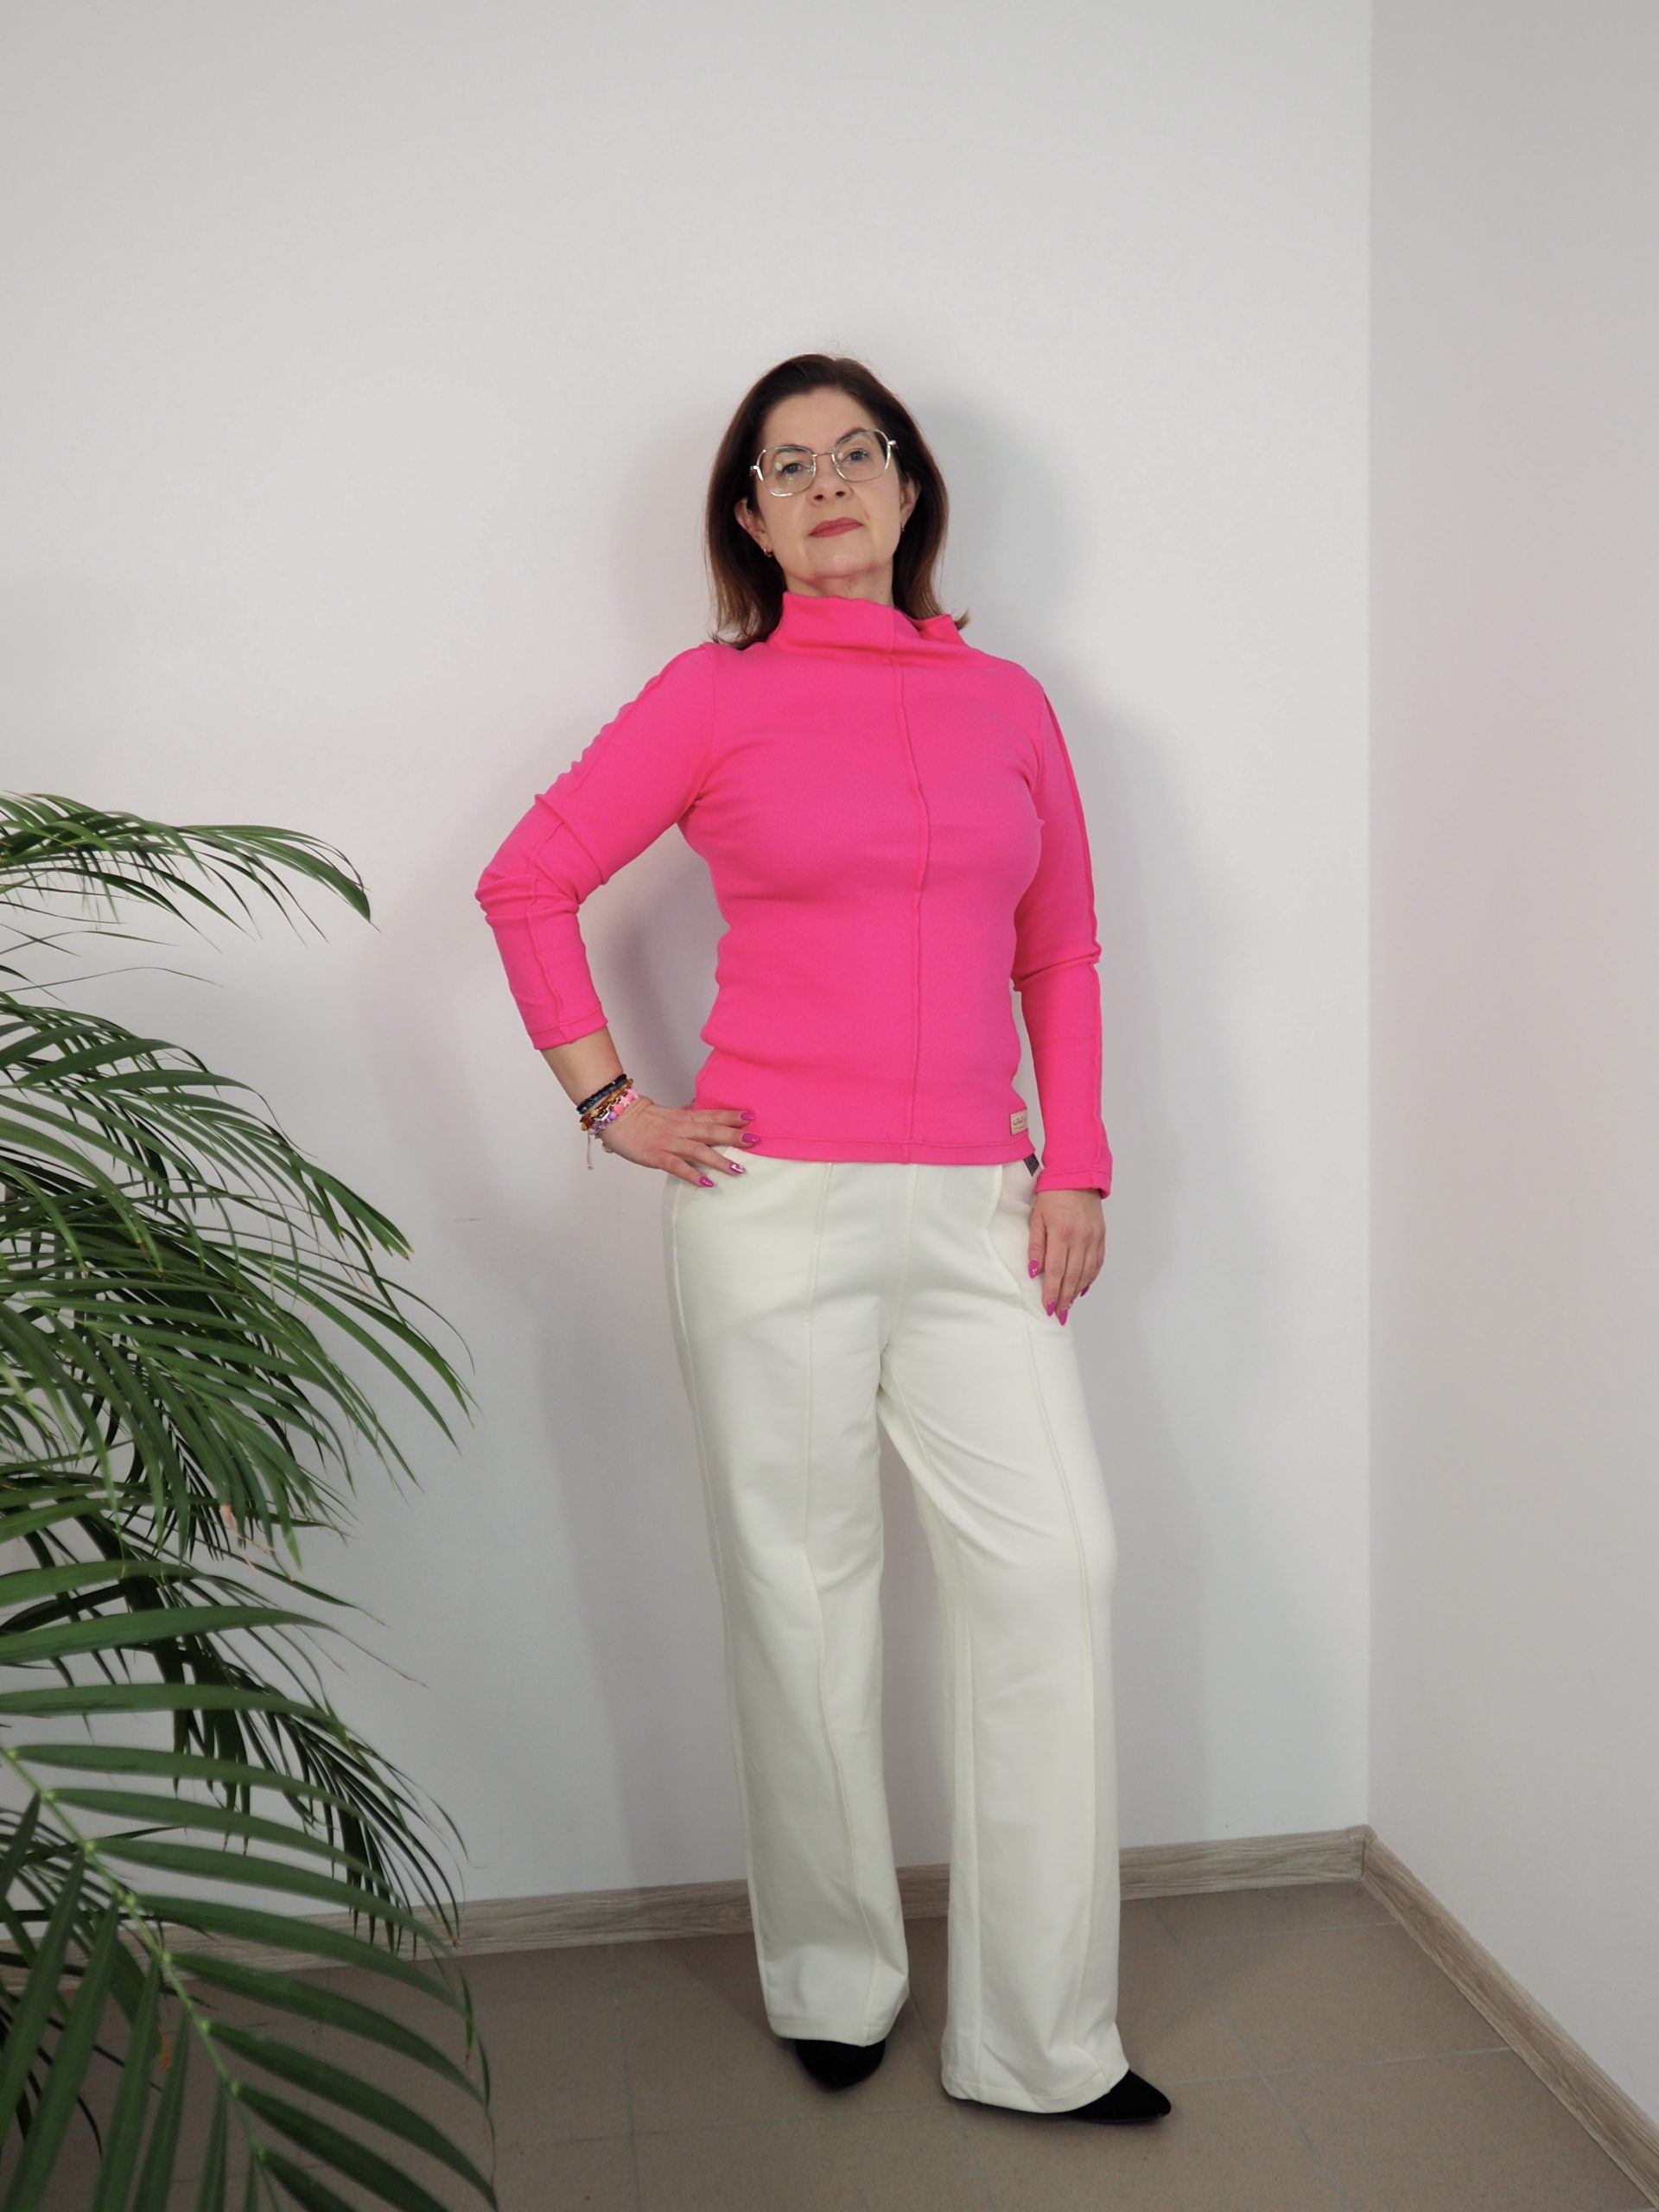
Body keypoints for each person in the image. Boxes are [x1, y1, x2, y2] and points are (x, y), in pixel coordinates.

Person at [474, 353, 1171, 2126]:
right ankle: (837, 1978)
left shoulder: (1009, 701)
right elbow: (525, 881)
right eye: (790, 466)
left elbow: (1060, 947)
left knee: (1058, 1570)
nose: (831, 482)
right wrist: (611, 1104)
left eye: (860, 452)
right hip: (768, 1206)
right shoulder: (714, 695)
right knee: (802, 1596)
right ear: (754, 518)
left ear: (911, 487)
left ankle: (1040, 2037)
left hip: (980, 1207)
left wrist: (1076, 1164)